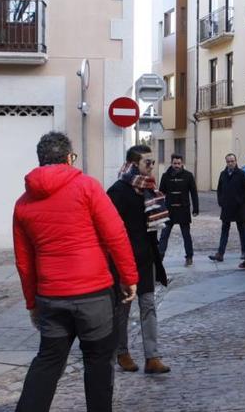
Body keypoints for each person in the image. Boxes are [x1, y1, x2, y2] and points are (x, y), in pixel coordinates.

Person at [13, 132, 137, 411]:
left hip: (51, 295)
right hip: (93, 294)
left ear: (40, 160)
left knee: (48, 361)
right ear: (69, 158)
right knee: (98, 363)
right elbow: (115, 234)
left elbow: (24, 261)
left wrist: (32, 302)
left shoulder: (23, 202)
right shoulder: (87, 187)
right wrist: (129, 278)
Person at [107, 145, 171, 374]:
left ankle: (152, 357)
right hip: (124, 261)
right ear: (134, 165)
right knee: (122, 310)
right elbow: (110, 230)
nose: (152, 166)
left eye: (153, 162)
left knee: (148, 306)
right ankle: (122, 353)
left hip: (146, 259)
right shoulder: (117, 191)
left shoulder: (150, 191)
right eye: (148, 162)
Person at [210, 153, 245, 262]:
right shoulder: (223, 174)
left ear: (236, 161)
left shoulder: (242, 174)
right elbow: (219, 189)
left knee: (242, 230)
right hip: (226, 207)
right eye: (228, 161)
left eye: (232, 161)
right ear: (226, 162)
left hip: (239, 208)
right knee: (224, 230)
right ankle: (220, 253)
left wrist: (240, 201)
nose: (230, 163)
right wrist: (221, 201)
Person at [158, 153, 199, 266]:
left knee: (186, 235)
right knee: (164, 235)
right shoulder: (165, 176)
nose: (176, 165)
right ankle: (160, 257)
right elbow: (161, 193)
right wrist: (160, 209)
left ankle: (189, 256)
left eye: (178, 163)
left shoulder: (188, 175)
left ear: (182, 163)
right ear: (171, 163)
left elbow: (194, 193)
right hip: (169, 209)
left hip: (183, 209)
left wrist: (196, 208)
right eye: (174, 163)